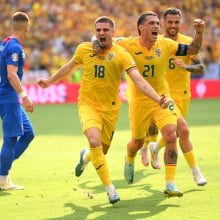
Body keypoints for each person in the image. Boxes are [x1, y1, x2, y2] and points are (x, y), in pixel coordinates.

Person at [37, 16, 169, 204]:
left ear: (113, 33)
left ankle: (86, 157)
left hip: (111, 109)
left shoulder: (121, 54)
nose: (101, 33)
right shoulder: (84, 49)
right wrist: (49, 81)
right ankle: (110, 190)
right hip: (88, 104)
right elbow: (68, 68)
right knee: (94, 140)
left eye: (105, 30)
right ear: (94, 32)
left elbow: (138, 80)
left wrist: (157, 99)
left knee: (101, 150)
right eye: (98, 30)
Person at [92, 11, 205, 197]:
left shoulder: (166, 44)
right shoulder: (127, 43)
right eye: (151, 23)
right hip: (139, 102)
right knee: (136, 142)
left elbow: (192, 50)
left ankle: (170, 183)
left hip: (162, 99)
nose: (156, 26)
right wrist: (97, 43)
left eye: (157, 23)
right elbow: (98, 37)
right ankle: (130, 157)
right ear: (141, 28)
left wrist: (199, 33)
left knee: (171, 135)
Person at [140, 8, 207, 187]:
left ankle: (155, 147)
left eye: (176, 22)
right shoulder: (157, 42)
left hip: (184, 95)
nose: (173, 25)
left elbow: (201, 68)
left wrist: (186, 67)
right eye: (169, 22)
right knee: (183, 131)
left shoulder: (186, 43)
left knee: (177, 133)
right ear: (163, 23)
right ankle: (196, 172)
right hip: (164, 97)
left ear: (180, 24)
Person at [0, 12, 35, 191]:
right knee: (11, 137)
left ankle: (1, 168)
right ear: (27, 28)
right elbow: (11, 74)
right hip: (9, 96)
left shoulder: (4, 44)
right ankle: (2, 179)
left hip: (6, 95)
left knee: (28, 133)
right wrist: (25, 96)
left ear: (12, 26)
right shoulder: (14, 47)